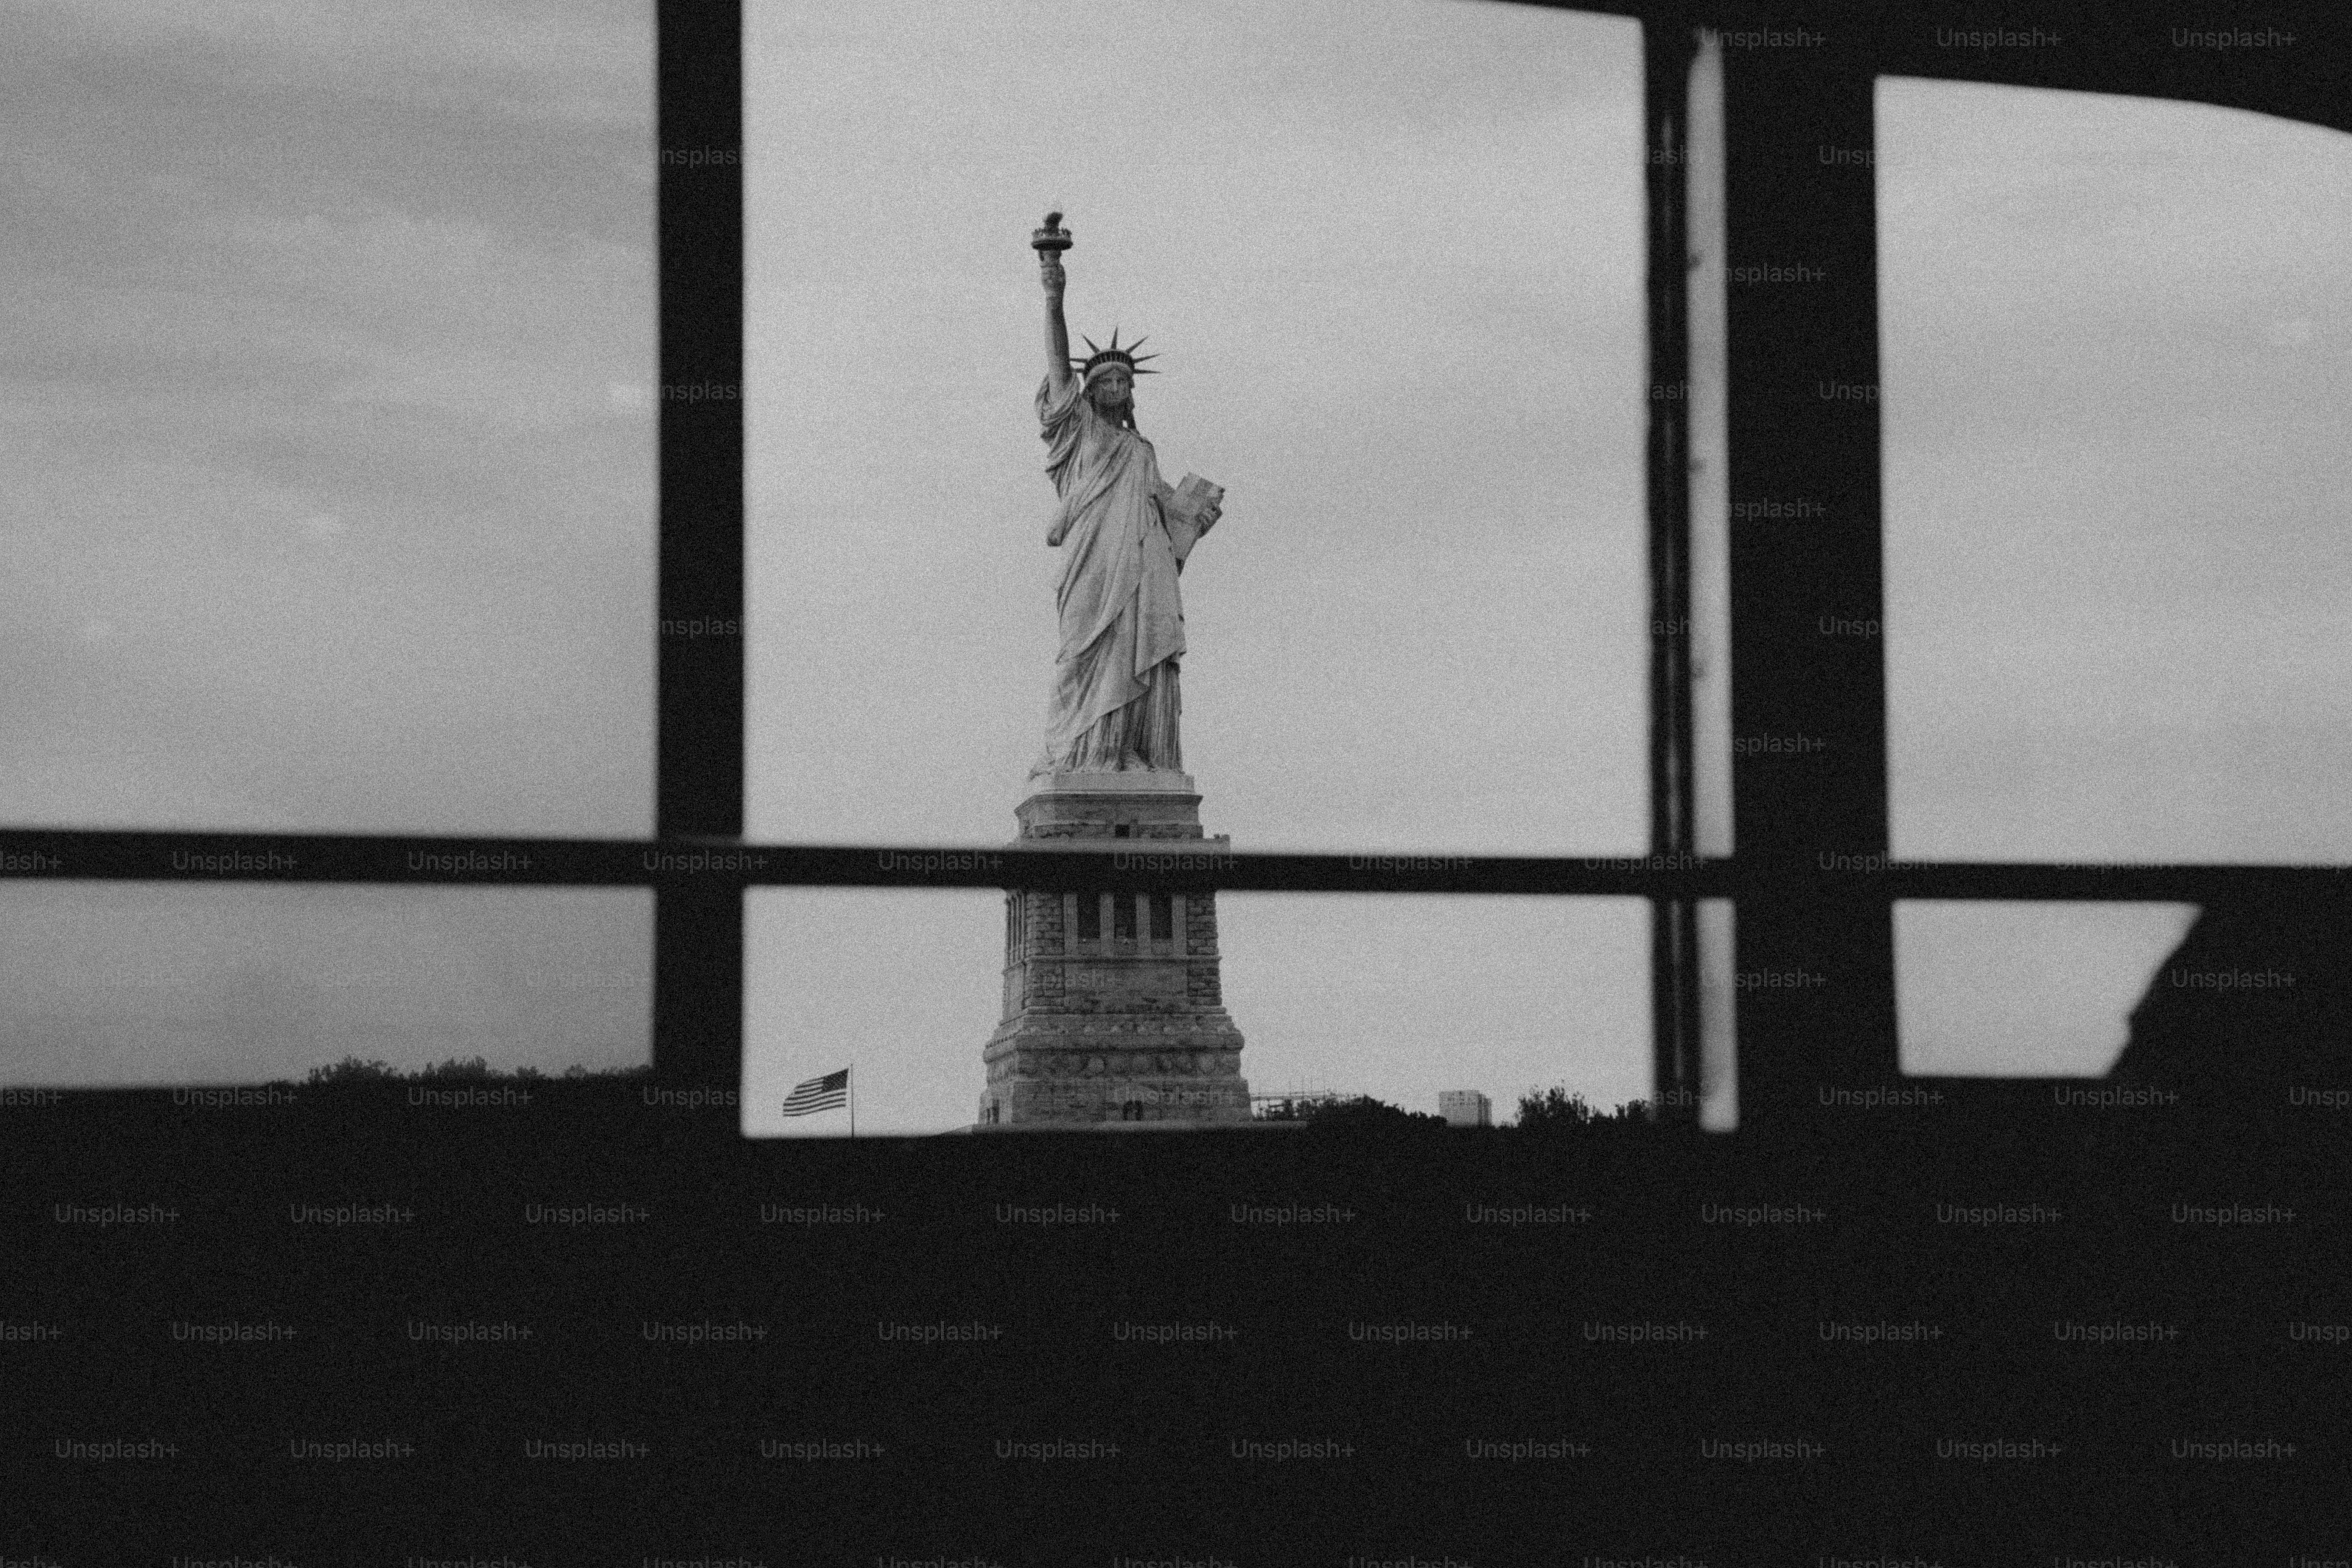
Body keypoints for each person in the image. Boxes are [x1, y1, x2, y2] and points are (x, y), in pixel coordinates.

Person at [1031, 239, 1220, 776]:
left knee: (1137, 645)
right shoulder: (1078, 430)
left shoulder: (1141, 450)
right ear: (1089, 390)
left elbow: (1167, 512)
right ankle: (1080, 752)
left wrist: (1196, 516)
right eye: (1105, 381)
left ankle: (1125, 752)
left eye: (1123, 381)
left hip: (1142, 565)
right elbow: (1057, 367)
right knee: (1083, 653)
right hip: (1092, 557)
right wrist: (1053, 294)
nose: (1115, 386)